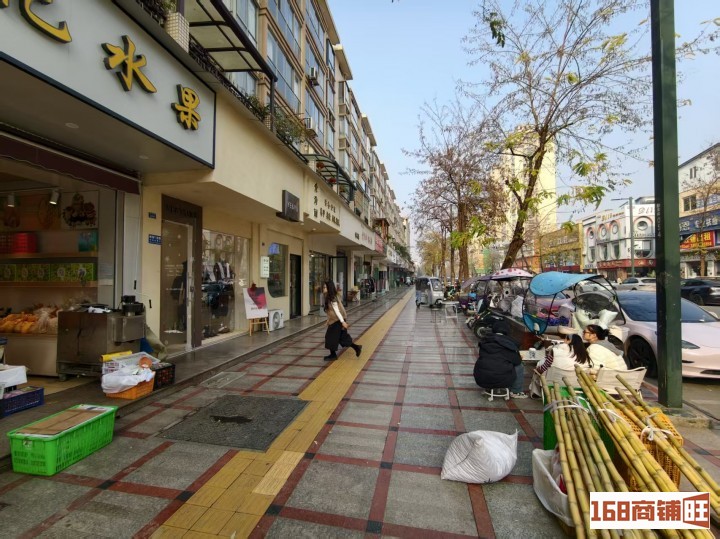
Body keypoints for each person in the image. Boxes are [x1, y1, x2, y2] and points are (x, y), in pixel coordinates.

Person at [529, 326, 592, 397]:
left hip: (555, 384)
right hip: (577, 385)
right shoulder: (585, 357)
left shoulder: (555, 352)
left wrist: (537, 370)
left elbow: (543, 367)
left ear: (568, 341)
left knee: (538, 371)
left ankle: (536, 394)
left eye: (565, 339)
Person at [474, 318, 527, 398]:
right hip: (502, 380)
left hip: (482, 380)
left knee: (487, 363)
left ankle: (489, 387)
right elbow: (517, 361)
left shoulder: (485, 341)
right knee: (519, 366)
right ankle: (516, 391)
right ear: (507, 331)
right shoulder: (509, 343)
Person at [323, 280, 362, 361]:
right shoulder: (330, 296)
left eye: (325, 287)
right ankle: (357, 347)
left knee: (330, 337)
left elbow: (337, 311)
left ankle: (333, 355)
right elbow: (331, 311)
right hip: (336, 320)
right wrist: (328, 320)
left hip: (337, 321)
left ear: (329, 288)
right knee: (342, 338)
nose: (323, 288)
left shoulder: (332, 298)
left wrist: (343, 322)